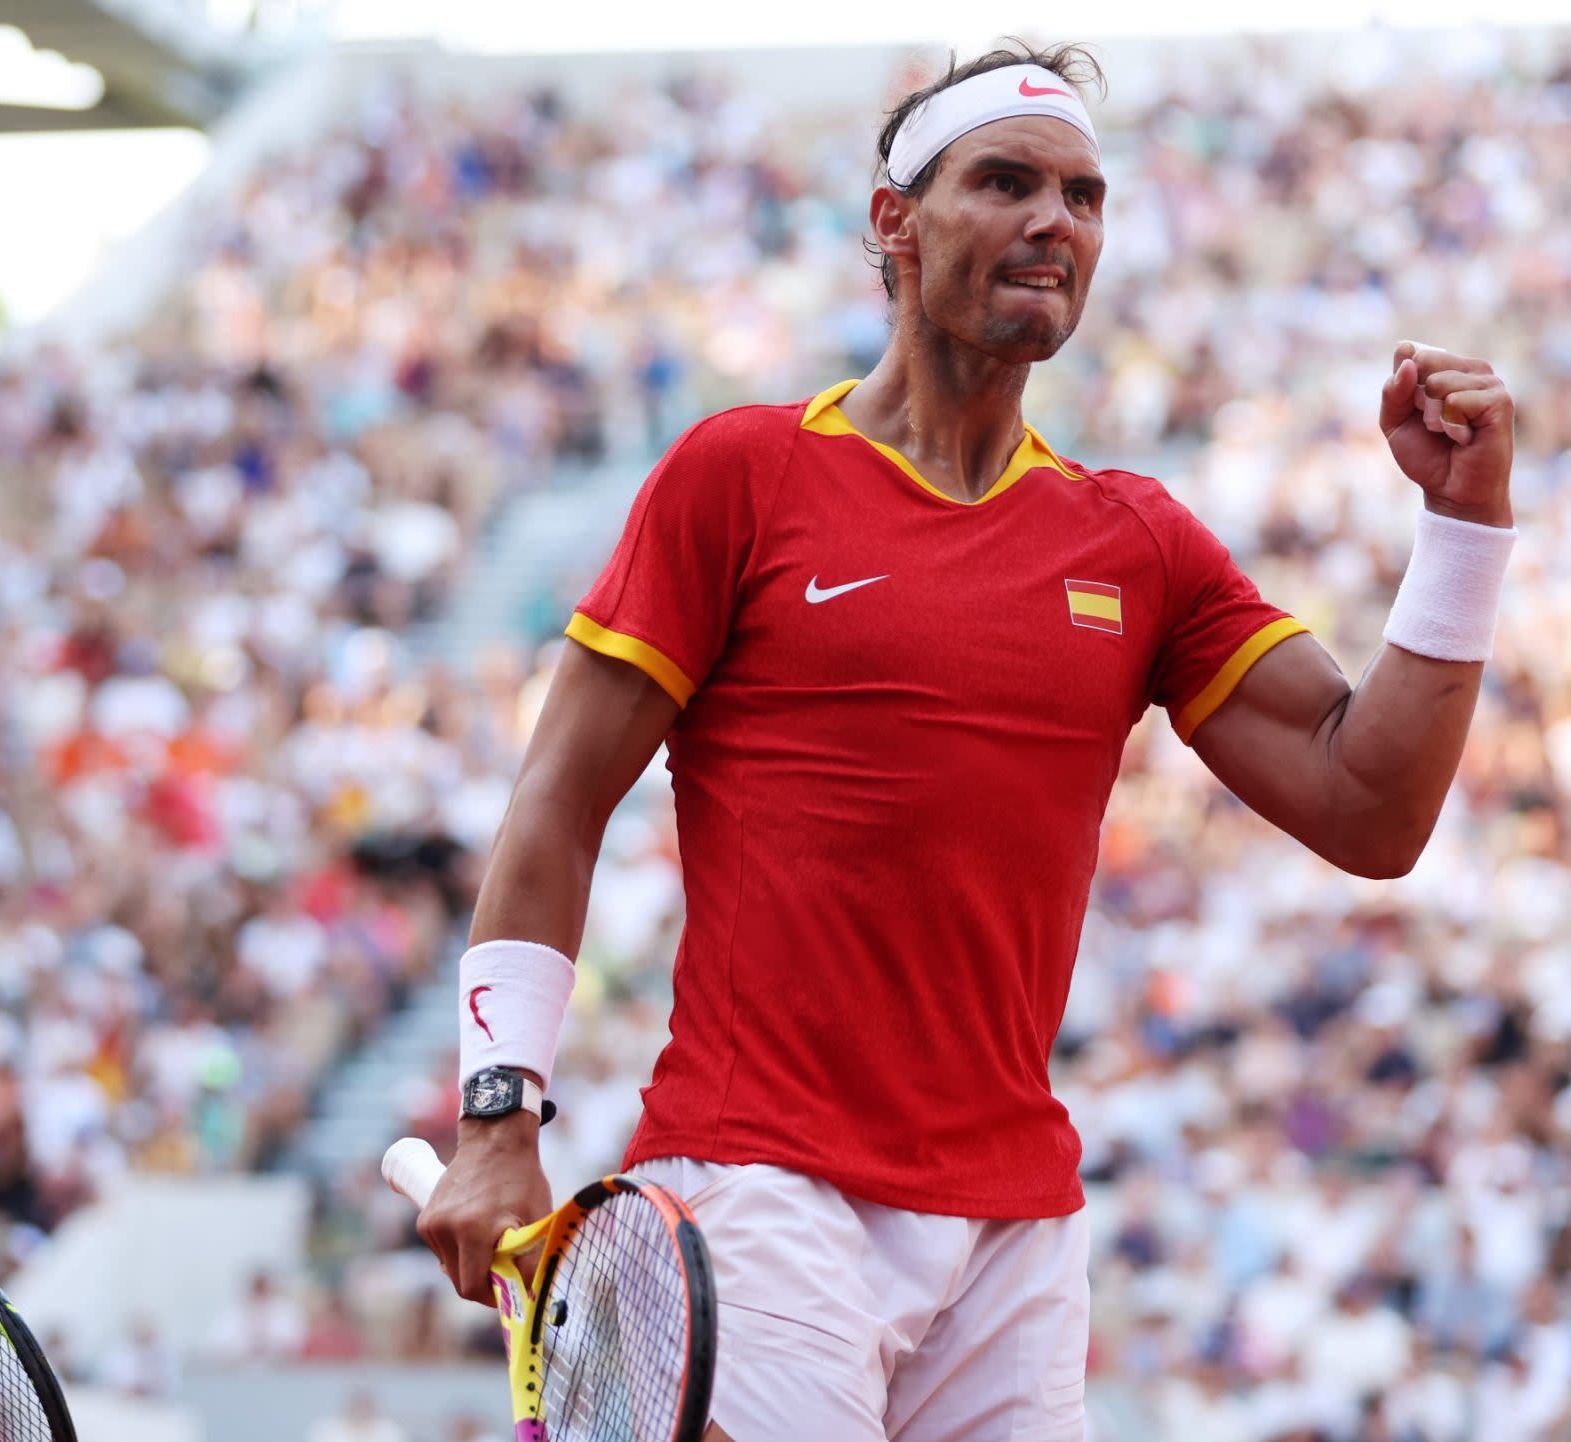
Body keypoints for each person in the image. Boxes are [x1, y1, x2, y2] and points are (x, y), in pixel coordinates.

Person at [413, 43, 1518, 1442]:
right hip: (760, 1191)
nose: (1057, 221)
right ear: (894, 220)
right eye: (1005, 182)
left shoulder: (1142, 540)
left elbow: (1376, 809)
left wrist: (1466, 525)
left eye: (1084, 194)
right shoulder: (739, 475)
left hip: (1016, 1228)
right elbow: (558, 798)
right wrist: (498, 1116)